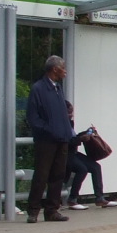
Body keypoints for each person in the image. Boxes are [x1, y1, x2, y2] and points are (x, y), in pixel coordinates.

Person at [24, 55, 73, 223]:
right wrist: (48, 130)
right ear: (54, 69)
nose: (65, 71)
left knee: (58, 175)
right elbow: (32, 116)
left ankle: (52, 210)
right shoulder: (38, 88)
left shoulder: (58, 88)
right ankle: (33, 210)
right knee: (41, 175)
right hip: (46, 140)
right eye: (63, 68)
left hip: (62, 138)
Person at [65, 102, 117, 210]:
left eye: (72, 112)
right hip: (65, 154)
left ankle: (100, 198)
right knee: (82, 169)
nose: (71, 115)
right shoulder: (60, 124)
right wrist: (80, 139)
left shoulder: (69, 123)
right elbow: (64, 142)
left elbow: (73, 137)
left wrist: (85, 133)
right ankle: (72, 199)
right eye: (69, 113)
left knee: (96, 167)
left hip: (73, 153)